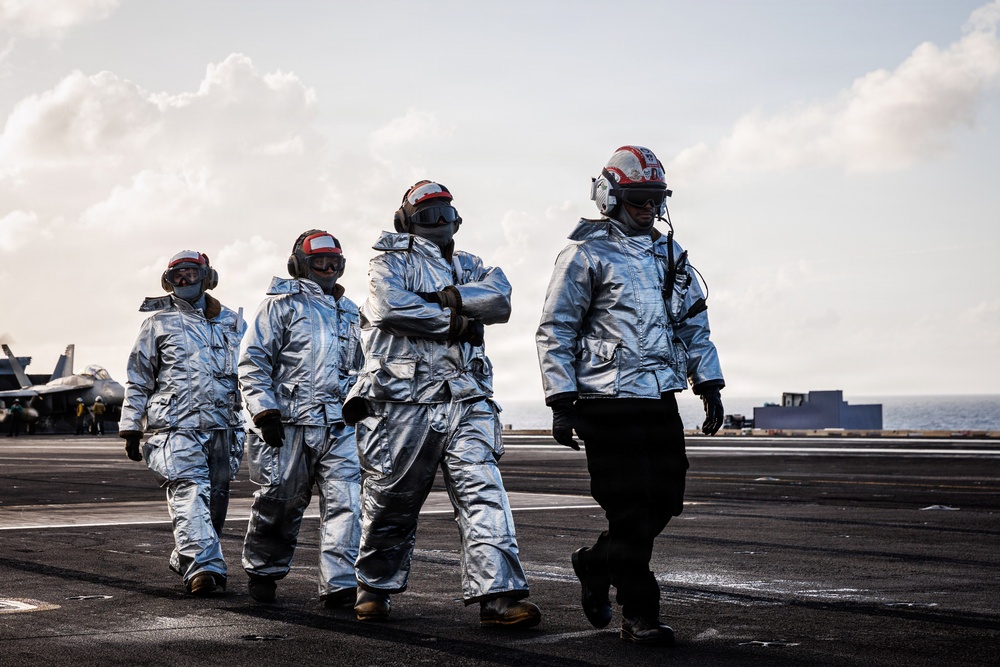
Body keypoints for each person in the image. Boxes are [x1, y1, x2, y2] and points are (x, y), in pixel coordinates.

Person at [536, 146, 726, 646]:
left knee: (666, 501)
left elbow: (693, 324)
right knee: (630, 511)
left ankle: (595, 563)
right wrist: (561, 401)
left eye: (656, 199)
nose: (649, 208)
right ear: (611, 197)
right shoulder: (584, 255)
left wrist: (708, 383)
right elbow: (556, 330)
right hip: (604, 402)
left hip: (659, 397)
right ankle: (640, 612)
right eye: (639, 198)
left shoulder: (671, 255)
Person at [343, 180, 541, 628]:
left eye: (445, 214)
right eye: (427, 215)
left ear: (457, 220)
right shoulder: (386, 262)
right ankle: (373, 586)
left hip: (467, 397)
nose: (438, 222)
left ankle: (500, 595)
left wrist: (449, 298)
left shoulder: (471, 265)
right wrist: (456, 322)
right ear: (406, 221)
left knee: (484, 494)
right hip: (402, 402)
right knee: (392, 500)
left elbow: (501, 298)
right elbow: (391, 308)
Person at [240, 230, 364, 609]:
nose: (327, 267)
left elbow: (365, 367)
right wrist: (264, 411)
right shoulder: (279, 306)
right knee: (280, 500)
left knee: (347, 502)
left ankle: (341, 584)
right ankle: (264, 569)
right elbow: (253, 361)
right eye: (318, 261)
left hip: (340, 426)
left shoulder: (351, 312)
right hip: (288, 424)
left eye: (334, 262)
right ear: (298, 265)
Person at [118, 250, 246, 596]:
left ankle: (186, 556)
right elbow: (139, 377)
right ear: (168, 281)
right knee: (189, 492)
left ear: (207, 277)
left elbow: (251, 373)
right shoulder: (156, 324)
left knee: (214, 502)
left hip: (224, 427)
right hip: (176, 427)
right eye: (178, 275)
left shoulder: (234, 323)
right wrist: (131, 426)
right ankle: (203, 568)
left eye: (191, 273)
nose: (185, 279)